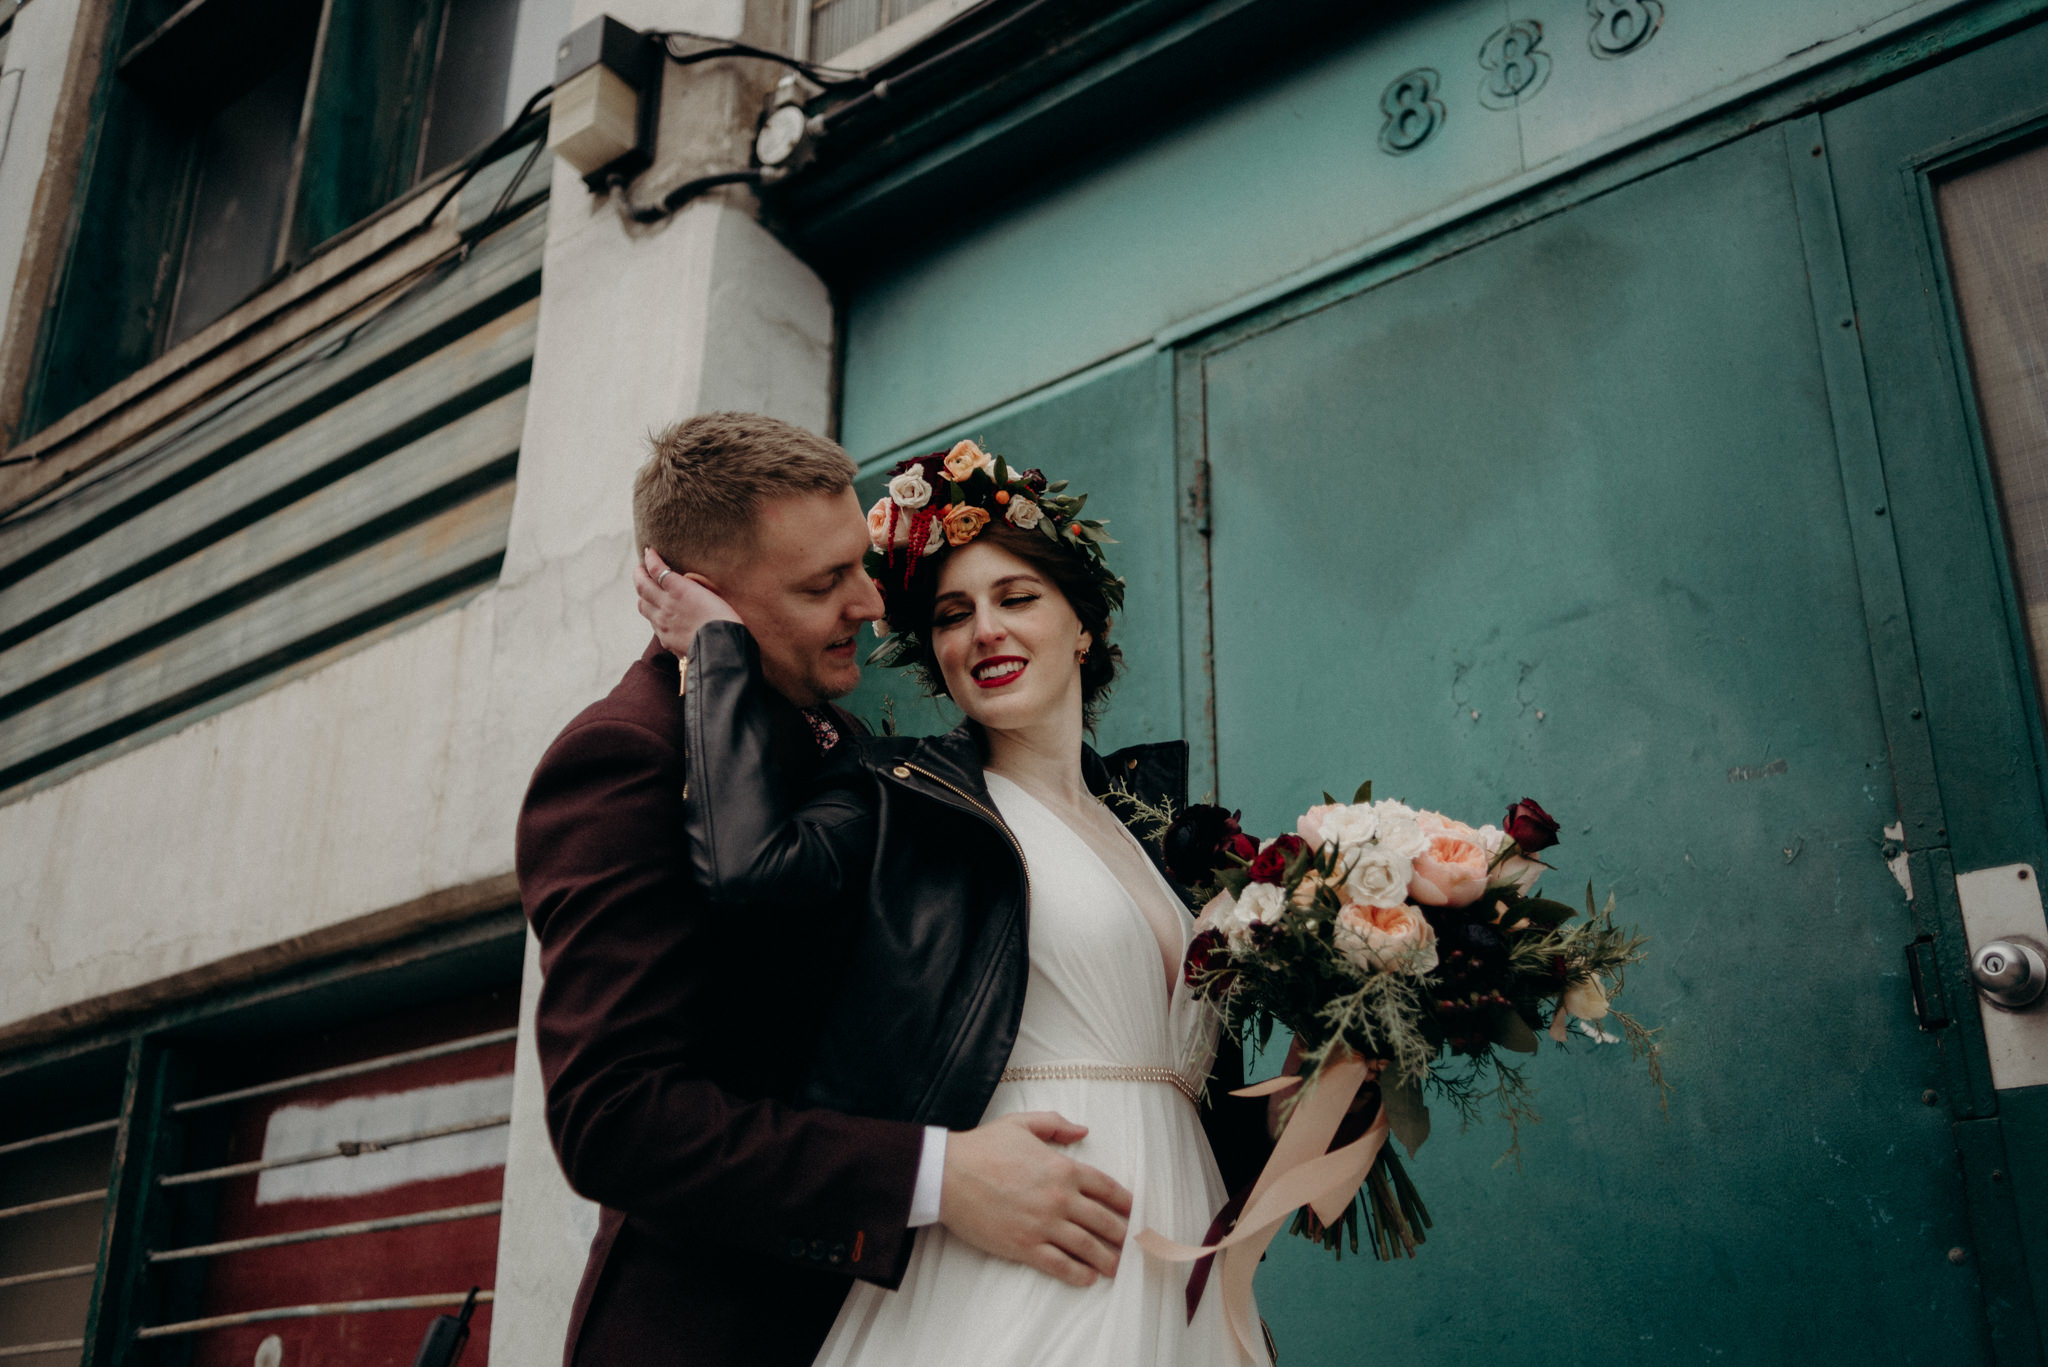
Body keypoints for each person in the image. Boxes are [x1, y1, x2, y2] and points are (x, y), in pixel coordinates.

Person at [636, 439, 1276, 1366]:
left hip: (1183, 1260)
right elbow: (751, 874)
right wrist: (718, 655)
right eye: (952, 614)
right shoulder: (904, 794)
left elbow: (1203, 1122)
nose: (984, 631)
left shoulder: (1161, 841)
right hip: (1024, 1258)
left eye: (1016, 599)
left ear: (1083, 625)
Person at [516, 415, 1138, 1367]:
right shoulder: (622, 759)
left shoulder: (846, 746)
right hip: (722, 1335)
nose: (872, 606)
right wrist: (935, 1174)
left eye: (860, 564)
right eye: (823, 585)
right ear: (703, 600)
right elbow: (617, 1120)